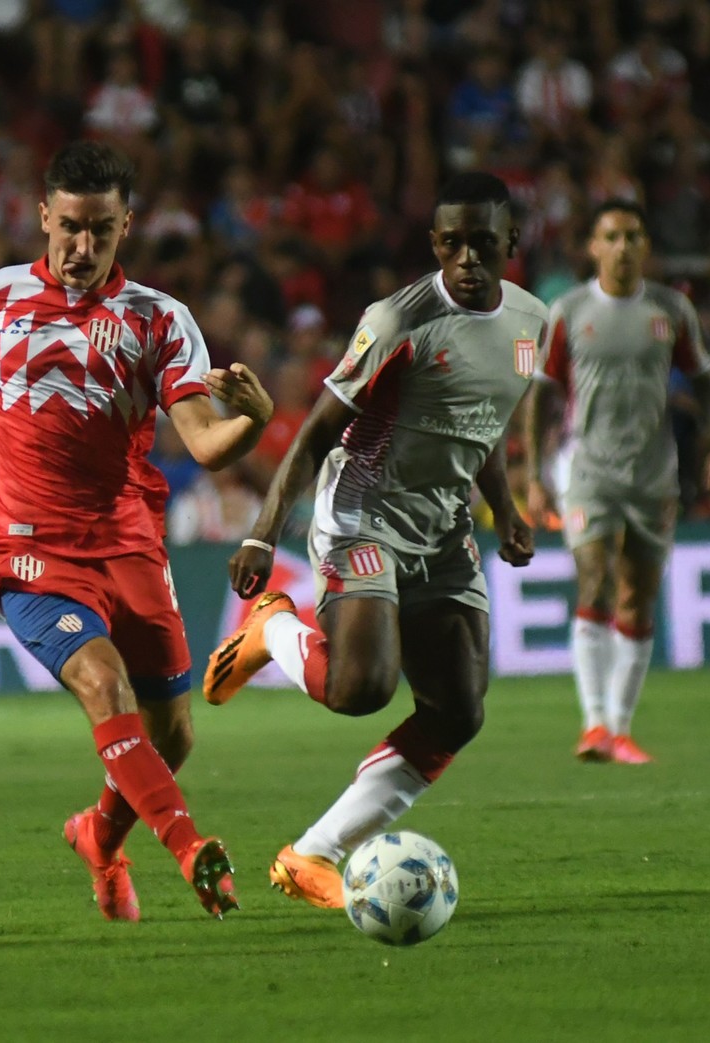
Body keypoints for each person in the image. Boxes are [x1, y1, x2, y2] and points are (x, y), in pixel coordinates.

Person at [0, 141, 273, 922]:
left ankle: (100, 838)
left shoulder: (158, 320)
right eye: (70, 228)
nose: (83, 248)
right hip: (30, 550)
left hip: (129, 545)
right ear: (43, 216)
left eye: (102, 232)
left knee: (171, 735)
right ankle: (189, 848)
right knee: (100, 682)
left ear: (127, 225)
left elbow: (206, 443)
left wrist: (255, 419)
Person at [205, 172, 541, 910]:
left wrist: (506, 509)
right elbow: (318, 430)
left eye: (482, 243)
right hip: (365, 511)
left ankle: (311, 854)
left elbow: (480, 423)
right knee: (360, 688)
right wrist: (263, 535)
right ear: (433, 244)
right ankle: (275, 629)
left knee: (458, 711)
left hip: (443, 524)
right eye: (450, 243)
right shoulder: (397, 320)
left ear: (510, 243)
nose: (466, 259)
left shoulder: (529, 321)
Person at [526, 200, 710, 765]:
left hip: (653, 473)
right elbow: (542, 390)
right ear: (593, 247)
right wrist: (533, 475)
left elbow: (708, 383)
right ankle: (593, 724)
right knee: (594, 579)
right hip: (588, 469)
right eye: (611, 236)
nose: (622, 246)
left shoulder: (671, 310)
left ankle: (619, 729)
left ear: (646, 247)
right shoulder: (568, 312)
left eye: (633, 236)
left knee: (638, 597)